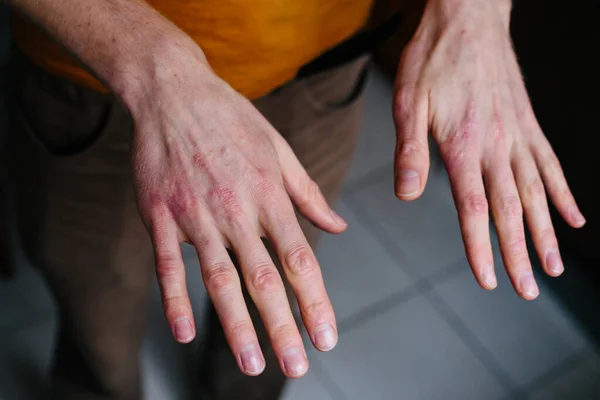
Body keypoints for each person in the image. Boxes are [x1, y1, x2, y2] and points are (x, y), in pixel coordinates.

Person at [0, 0, 586, 399]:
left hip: (321, 65)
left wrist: (475, 14)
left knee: (275, 291)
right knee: (96, 308)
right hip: (91, 80)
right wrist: (154, 68)